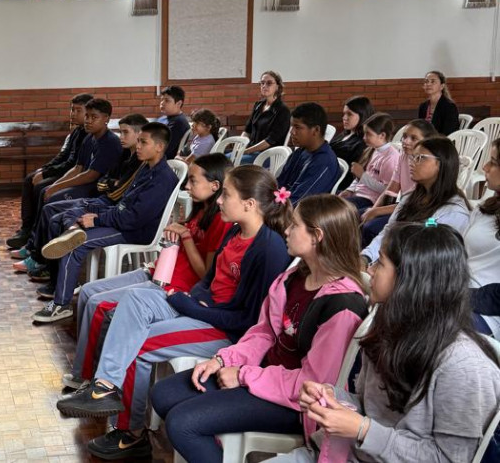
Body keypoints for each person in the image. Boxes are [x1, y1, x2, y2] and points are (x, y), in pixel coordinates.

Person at [56, 165, 292, 460]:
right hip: (202, 309)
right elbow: (208, 281)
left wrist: (191, 306)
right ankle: (104, 386)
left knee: (138, 344)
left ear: (249, 204)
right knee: (135, 299)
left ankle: (131, 434)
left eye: (226, 195)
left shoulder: (269, 249)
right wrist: (193, 298)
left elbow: (248, 322)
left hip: (225, 330)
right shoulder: (236, 230)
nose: (219, 200)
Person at [149, 195, 369, 463]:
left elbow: (313, 384)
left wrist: (243, 376)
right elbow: (264, 332)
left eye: (295, 225)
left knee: (183, 424)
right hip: (263, 376)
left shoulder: (342, 305)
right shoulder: (295, 276)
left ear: (317, 236)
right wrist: (224, 360)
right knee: (163, 395)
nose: (286, 230)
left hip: (297, 402)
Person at [269, 222, 500, 463]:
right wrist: (331, 395)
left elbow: (451, 459)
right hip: (340, 454)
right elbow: (369, 407)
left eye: (380, 263)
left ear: (409, 280)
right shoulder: (387, 329)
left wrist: (363, 430)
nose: (370, 269)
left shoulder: (464, 367)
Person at [63, 153, 232, 388]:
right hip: (161, 272)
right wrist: (179, 230)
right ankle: (84, 372)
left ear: (215, 185)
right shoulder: (201, 209)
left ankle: (95, 380)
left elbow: (205, 273)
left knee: (99, 305)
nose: (187, 186)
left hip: (175, 286)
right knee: (88, 292)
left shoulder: (221, 221)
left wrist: (186, 237)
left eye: (193, 180)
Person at [30, 122, 178, 323]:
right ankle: (70, 240)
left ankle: (61, 305)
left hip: (134, 230)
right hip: (120, 217)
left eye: (143, 142)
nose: (138, 146)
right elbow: (123, 204)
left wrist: (98, 219)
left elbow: (133, 218)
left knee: (75, 246)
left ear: (159, 147)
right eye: (139, 142)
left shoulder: (162, 178)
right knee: (66, 216)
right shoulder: (146, 167)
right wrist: (98, 214)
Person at [12, 113, 147, 281]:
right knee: (49, 206)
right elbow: (103, 180)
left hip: (106, 204)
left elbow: (111, 188)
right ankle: (37, 253)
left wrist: (108, 185)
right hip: (102, 198)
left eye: (125, 132)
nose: (121, 137)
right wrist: (109, 184)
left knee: (55, 211)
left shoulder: (130, 155)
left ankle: (48, 265)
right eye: (120, 132)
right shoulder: (122, 153)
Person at [362, 136, 471, 267]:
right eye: (413, 157)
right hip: (392, 267)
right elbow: (389, 232)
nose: (412, 163)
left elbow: (431, 261)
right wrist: (366, 257)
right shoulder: (410, 197)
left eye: (420, 158)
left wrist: (385, 268)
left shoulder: (454, 212)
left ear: (441, 164)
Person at [6, 94, 91, 249]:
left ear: (89, 112)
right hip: (65, 170)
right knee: (29, 179)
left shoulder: (88, 135)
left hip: (73, 175)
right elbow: (62, 156)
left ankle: (36, 233)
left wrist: (46, 174)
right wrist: (44, 169)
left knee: (41, 188)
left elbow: (73, 165)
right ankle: (27, 228)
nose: (72, 114)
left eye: (78, 110)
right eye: (72, 110)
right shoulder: (77, 132)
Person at [358, 119, 437, 246]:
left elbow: (414, 204)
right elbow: (390, 191)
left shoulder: (427, 167)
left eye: (413, 138)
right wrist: (373, 209)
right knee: (358, 216)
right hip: (403, 208)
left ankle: (377, 256)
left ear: (427, 141)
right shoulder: (403, 157)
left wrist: (376, 212)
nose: (406, 141)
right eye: (404, 136)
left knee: (370, 228)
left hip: (418, 214)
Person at [40, 98, 122, 203]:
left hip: (98, 190)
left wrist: (57, 187)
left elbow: (91, 176)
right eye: (87, 116)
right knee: (45, 190)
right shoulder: (89, 137)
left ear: (106, 118)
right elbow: (77, 168)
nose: (88, 121)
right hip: (85, 184)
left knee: (54, 198)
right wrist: (55, 185)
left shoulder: (110, 142)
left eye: (94, 117)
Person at [276, 103, 340, 204]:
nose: (292, 132)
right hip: (282, 206)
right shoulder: (300, 152)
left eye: (297, 127)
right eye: (292, 127)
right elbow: (279, 184)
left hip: (299, 212)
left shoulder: (324, 163)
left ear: (316, 130)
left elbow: (298, 202)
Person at [469, 138, 500, 338]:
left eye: (494, 162)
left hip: (486, 313)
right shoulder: (486, 207)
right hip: (457, 291)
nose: (485, 167)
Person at [339, 113, 400, 216]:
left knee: (337, 210)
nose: (364, 137)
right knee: (330, 201)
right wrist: (349, 190)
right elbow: (358, 178)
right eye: (364, 133)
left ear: (382, 135)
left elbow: (386, 189)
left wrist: (362, 175)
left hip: (370, 200)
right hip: (358, 193)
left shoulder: (391, 157)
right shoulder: (372, 150)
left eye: (368, 134)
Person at [240, 71, 291, 165]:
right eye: (262, 83)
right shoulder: (258, 105)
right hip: (252, 152)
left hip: (269, 155)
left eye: (269, 83)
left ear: (277, 86)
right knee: (221, 159)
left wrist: (246, 151)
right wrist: (240, 146)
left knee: (228, 162)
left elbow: (270, 140)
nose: (264, 86)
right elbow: (247, 130)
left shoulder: (283, 110)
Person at [329, 96, 374, 191]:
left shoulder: (362, 143)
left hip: (339, 186)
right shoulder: (344, 135)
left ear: (362, 116)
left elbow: (352, 175)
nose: (344, 118)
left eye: (349, 114)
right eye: (344, 114)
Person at [418, 70, 460, 136]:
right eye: (426, 81)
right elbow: (419, 128)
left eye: (433, 81)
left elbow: (449, 132)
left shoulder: (449, 106)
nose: (428, 84)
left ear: (442, 86)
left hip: (441, 140)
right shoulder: (423, 106)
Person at [156, 86, 190, 160]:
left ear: (179, 103)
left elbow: (165, 149)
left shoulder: (179, 123)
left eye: (167, 100)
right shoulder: (162, 119)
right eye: (162, 100)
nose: (162, 103)